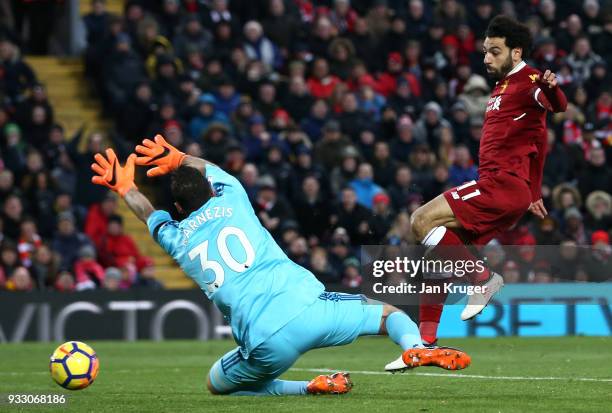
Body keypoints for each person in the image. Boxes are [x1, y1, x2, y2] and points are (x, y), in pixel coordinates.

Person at [90, 135, 471, 396]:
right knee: (389, 315)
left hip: (266, 343)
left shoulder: (175, 236)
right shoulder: (233, 196)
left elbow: (146, 213)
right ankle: (414, 346)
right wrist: (179, 158)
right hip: (310, 308)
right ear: (212, 189)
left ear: (176, 209)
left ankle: (310, 387)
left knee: (218, 383)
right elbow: (206, 168)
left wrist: (126, 188)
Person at [410, 16, 567, 345]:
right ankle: (425, 343)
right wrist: (535, 192)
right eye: (485, 52)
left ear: (516, 52)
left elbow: (556, 104)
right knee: (436, 256)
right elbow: (539, 143)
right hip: (510, 190)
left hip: (500, 185)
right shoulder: (503, 87)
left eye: (495, 51)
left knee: (421, 220)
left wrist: (553, 90)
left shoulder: (530, 80)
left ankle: (482, 280)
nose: (486, 59)